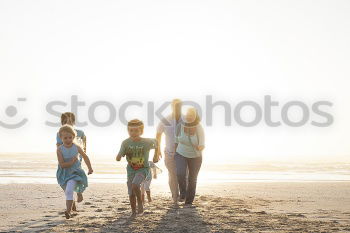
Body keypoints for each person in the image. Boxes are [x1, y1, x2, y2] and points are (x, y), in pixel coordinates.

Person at [116, 119, 158, 218]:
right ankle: (134, 212)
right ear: (128, 131)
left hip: (143, 169)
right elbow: (120, 154)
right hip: (131, 170)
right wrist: (118, 156)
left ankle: (140, 202)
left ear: (141, 131)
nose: (133, 133)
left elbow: (157, 142)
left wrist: (156, 155)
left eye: (136, 131)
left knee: (135, 185)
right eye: (131, 130)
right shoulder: (125, 143)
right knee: (131, 193)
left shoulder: (147, 142)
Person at [56, 125, 93, 219]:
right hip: (63, 173)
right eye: (65, 138)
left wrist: (90, 168)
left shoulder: (76, 147)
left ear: (73, 137)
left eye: (70, 137)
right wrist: (72, 161)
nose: (68, 140)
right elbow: (62, 164)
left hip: (75, 172)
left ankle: (68, 211)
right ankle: (78, 193)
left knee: (69, 191)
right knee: (67, 191)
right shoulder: (59, 149)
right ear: (61, 138)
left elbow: (85, 156)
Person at [56, 112, 87, 212]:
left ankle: (78, 193)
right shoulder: (59, 133)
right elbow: (58, 146)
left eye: (69, 121)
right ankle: (71, 200)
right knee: (65, 184)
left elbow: (84, 147)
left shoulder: (81, 132)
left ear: (73, 122)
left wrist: (81, 157)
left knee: (76, 178)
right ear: (62, 122)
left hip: (76, 161)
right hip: (64, 161)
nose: (67, 123)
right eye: (65, 121)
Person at [175, 107, 205, 205]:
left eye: (192, 115)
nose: (189, 116)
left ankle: (189, 201)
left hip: (195, 156)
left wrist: (199, 146)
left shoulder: (199, 127)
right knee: (180, 173)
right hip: (181, 153)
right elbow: (175, 140)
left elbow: (202, 144)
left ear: (195, 116)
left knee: (192, 179)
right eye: (188, 114)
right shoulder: (180, 126)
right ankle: (183, 193)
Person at [155, 99, 183, 204]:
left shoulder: (187, 119)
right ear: (171, 106)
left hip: (185, 153)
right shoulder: (165, 120)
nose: (177, 108)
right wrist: (157, 150)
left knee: (184, 175)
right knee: (173, 175)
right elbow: (158, 135)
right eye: (175, 106)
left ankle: (183, 195)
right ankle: (175, 197)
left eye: (179, 106)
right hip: (169, 153)